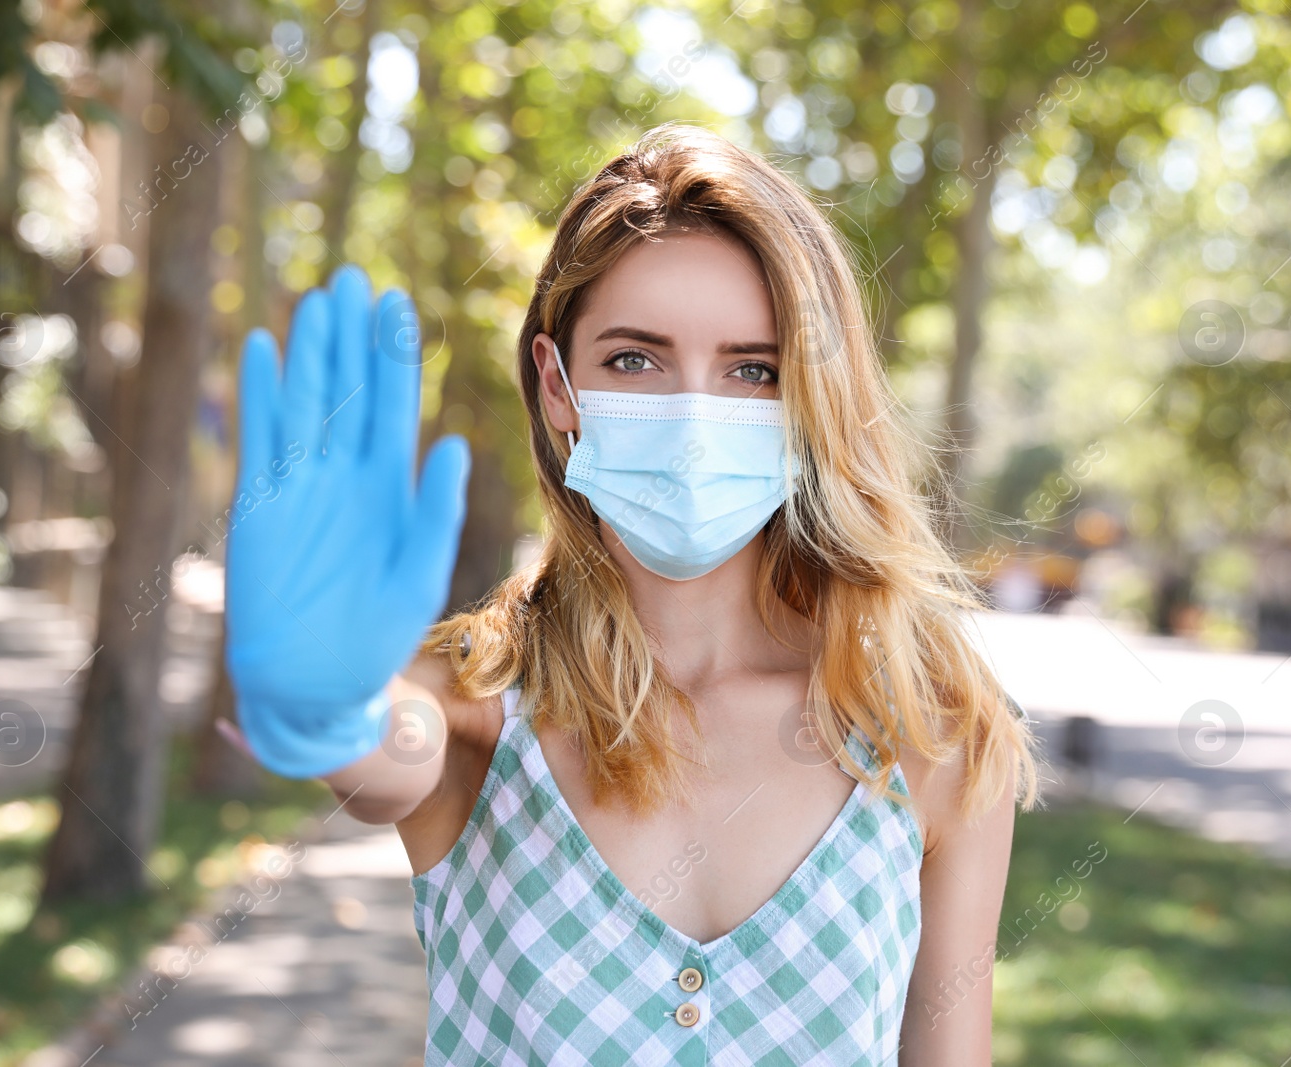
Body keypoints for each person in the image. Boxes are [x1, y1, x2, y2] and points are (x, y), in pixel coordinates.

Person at [222, 123, 1041, 1065]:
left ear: (811, 395)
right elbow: (386, 749)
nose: (696, 413)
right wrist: (322, 712)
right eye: (635, 359)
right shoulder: (473, 712)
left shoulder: (932, 734)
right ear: (558, 385)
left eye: (752, 369)